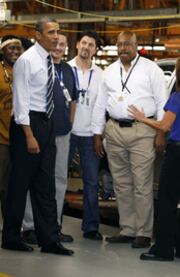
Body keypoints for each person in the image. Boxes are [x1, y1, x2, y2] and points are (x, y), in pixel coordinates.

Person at [1, 17, 73, 256]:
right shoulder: (26, 61)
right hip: (27, 126)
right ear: (38, 34)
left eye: (58, 32)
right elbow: (21, 102)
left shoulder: (47, 60)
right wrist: (29, 135)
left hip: (46, 122)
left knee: (46, 185)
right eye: (51, 32)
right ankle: (11, 237)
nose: (55, 36)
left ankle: (49, 240)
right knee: (19, 185)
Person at [129, 56, 180, 261]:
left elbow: (164, 126)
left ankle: (163, 249)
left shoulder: (178, 97)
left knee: (167, 200)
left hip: (178, 154)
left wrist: (142, 118)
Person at [92, 31, 167, 248]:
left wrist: (161, 132)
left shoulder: (151, 69)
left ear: (136, 45)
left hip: (143, 130)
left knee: (142, 183)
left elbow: (162, 102)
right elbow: (99, 104)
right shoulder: (109, 71)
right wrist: (98, 134)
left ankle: (143, 232)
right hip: (114, 129)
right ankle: (127, 228)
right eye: (120, 45)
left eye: (128, 44)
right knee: (121, 184)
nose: (123, 48)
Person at [22, 33, 78, 244]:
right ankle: (30, 227)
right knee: (34, 178)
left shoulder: (68, 70)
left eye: (62, 44)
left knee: (59, 180)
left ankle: (53, 226)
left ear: (65, 48)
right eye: (55, 43)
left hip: (61, 133)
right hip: (39, 132)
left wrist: (69, 124)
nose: (58, 47)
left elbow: (73, 100)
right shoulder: (37, 65)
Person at [67, 30, 104, 240]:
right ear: (77, 45)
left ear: (95, 50)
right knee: (59, 179)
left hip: (90, 134)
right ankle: (54, 223)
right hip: (68, 133)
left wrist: (98, 134)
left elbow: (101, 106)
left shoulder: (100, 74)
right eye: (84, 43)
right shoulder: (66, 69)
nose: (86, 47)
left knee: (91, 182)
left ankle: (91, 227)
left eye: (91, 45)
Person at [0, 35, 23, 219]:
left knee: (15, 184)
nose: (15, 51)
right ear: (2, 50)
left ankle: (11, 224)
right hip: (2, 137)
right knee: (3, 184)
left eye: (18, 48)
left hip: (21, 137)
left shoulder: (22, 71)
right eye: (11, 48)